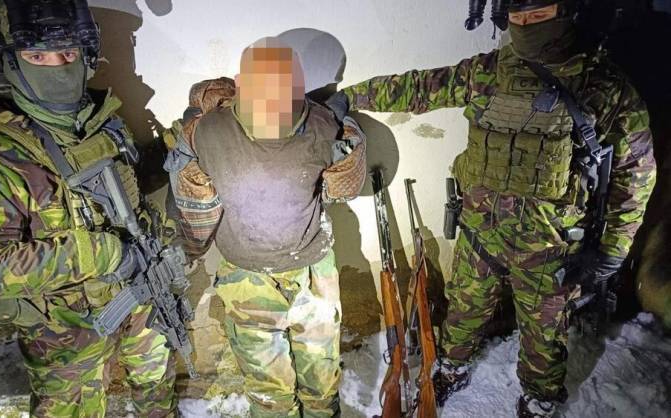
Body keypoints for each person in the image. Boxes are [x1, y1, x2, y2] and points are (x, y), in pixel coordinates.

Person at [338, 0, 656, 416]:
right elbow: (417, 88)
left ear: (566, 12)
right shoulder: (488, 72)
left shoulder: (605, 87)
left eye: (538, 15)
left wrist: (613, 250)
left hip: (549, 248)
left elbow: (636, 174)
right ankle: (451, 368)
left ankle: (539, 399)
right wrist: (347, 98)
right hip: (479, 235)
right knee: (462, 313)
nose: (526, 25)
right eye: (518, 17)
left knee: (544, 336)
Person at [0, 1, 175, 416]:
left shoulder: (102, 122)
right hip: (65, 330)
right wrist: (105, 253)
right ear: (11, 62)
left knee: (156, 387)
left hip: (139, 294)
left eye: (68, 53)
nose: (58, 67)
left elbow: (131, 184)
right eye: (37, 56)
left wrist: (177, 146)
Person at [163, 37, 367, 417]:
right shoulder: (208, 131)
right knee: (275, 394)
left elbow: (344, 186)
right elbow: (191, 203)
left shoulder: (321, 124)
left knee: (316, 386)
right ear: (240, 83)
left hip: (308, 274)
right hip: (253, 279)